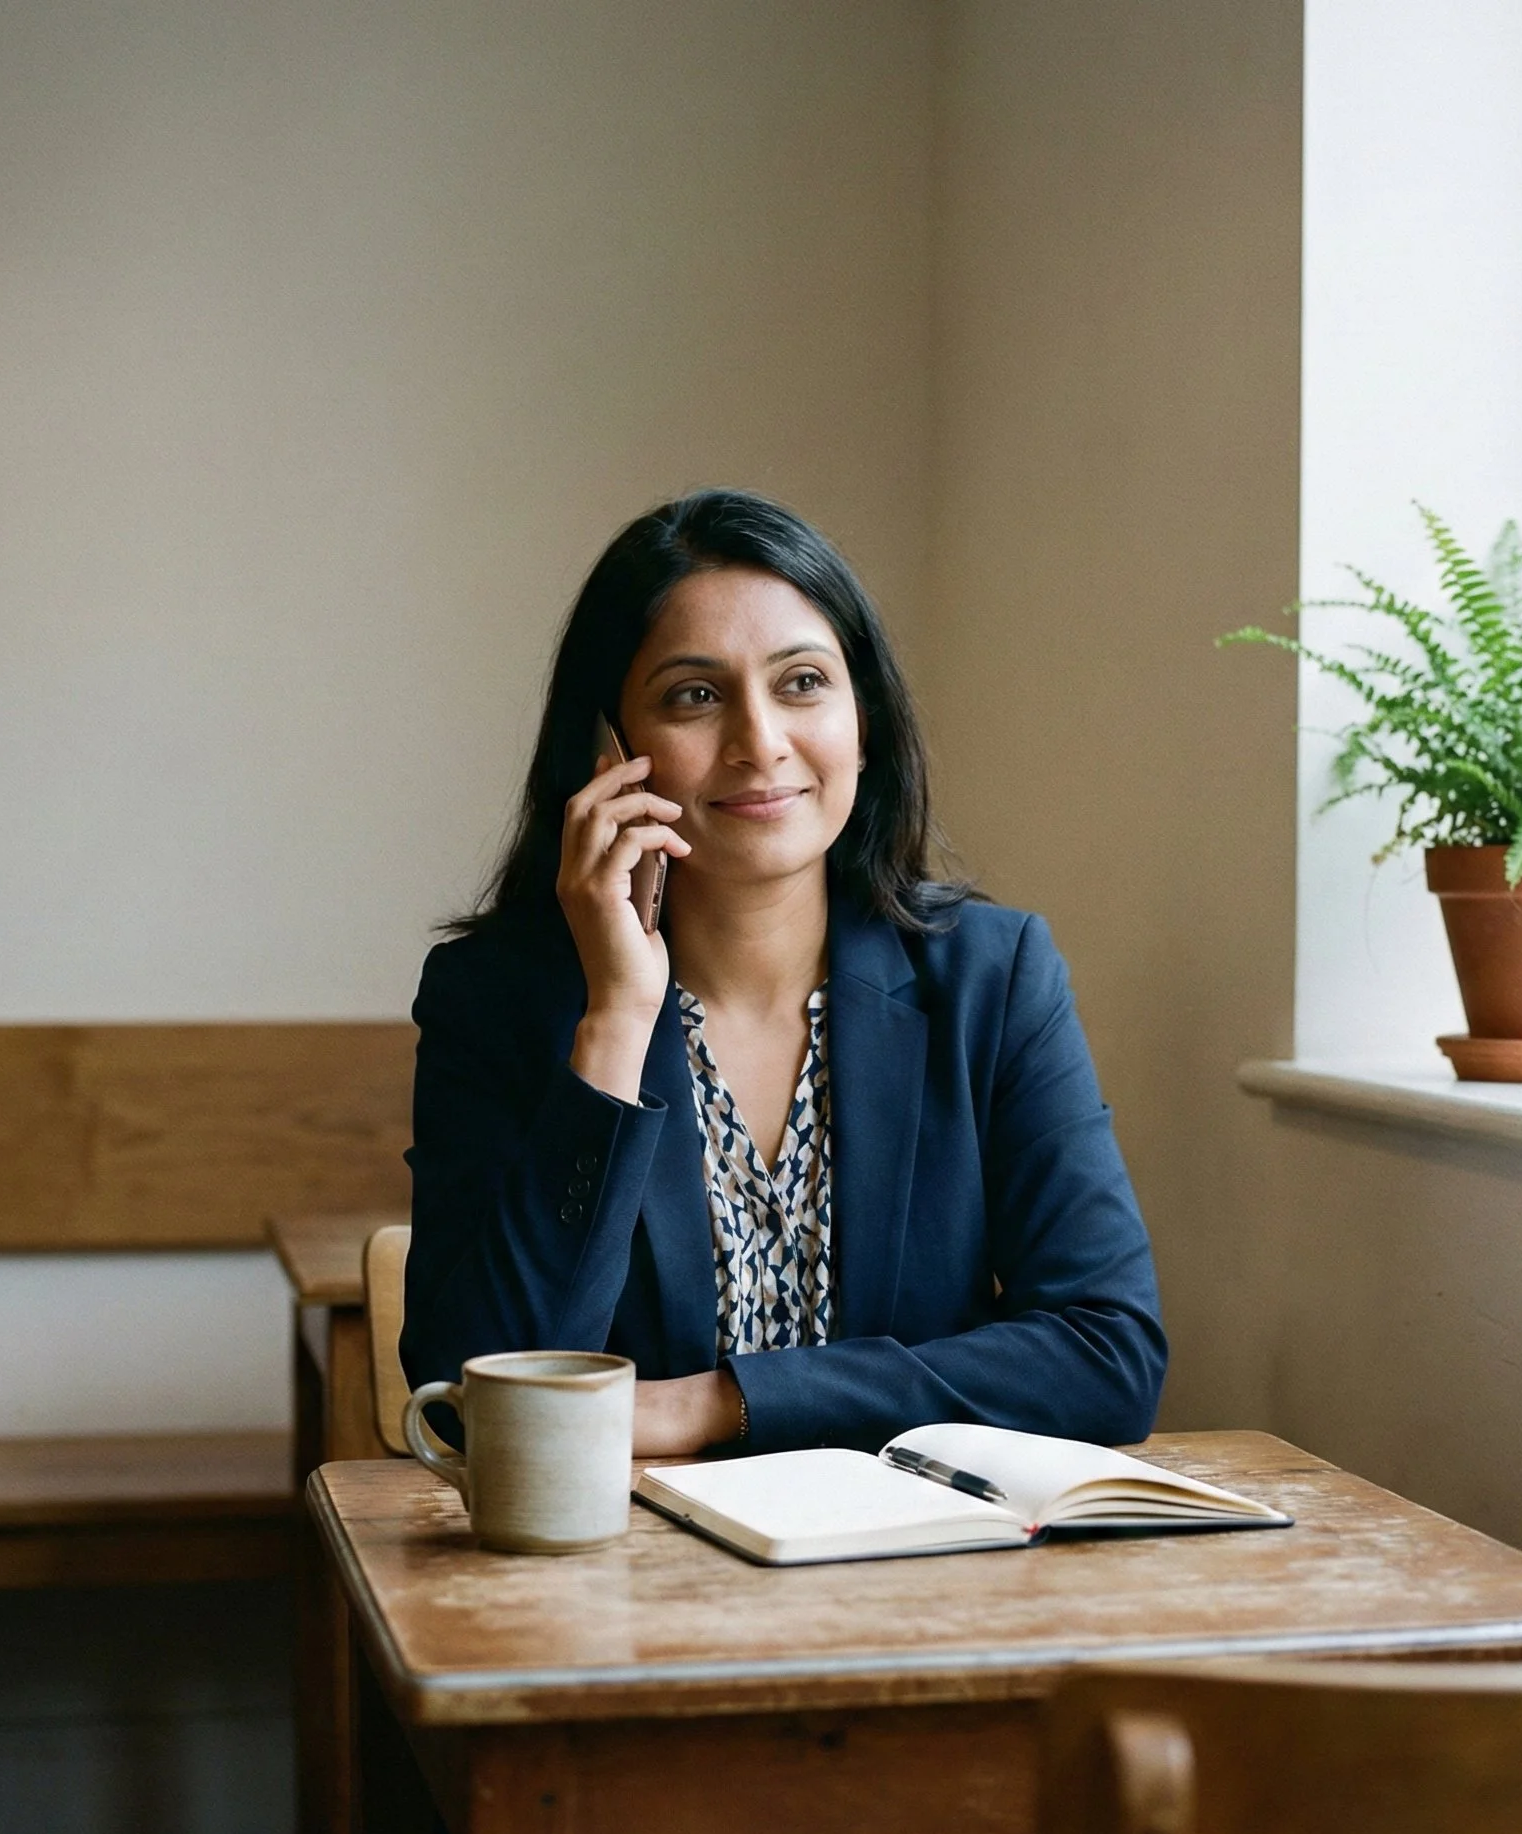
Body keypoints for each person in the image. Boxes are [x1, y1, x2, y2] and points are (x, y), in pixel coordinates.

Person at [400, 488, 1164, 1459]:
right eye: (694, 694)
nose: (759, 742)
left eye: (801, 682)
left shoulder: (991, 977)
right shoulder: (498, 1000)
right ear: (609, 751)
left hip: (922, 1577)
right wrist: (614, 1022)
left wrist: (718, 1404)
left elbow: (1107, 1355)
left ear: (863, 716)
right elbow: (472, 1396)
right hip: (612, 1583)